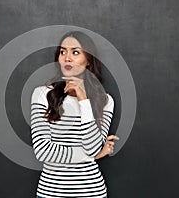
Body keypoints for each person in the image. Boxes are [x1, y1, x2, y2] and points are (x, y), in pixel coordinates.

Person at [30, 31, 119, 198]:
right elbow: (42, 151)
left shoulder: (105, 101)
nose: (67, 58)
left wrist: (83, 100)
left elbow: (92, 146)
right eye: (63, 52)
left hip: (92, 193)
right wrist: (94, 156)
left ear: (88, 61)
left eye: (75, 52)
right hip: (50, 193)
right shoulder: (42, 95)